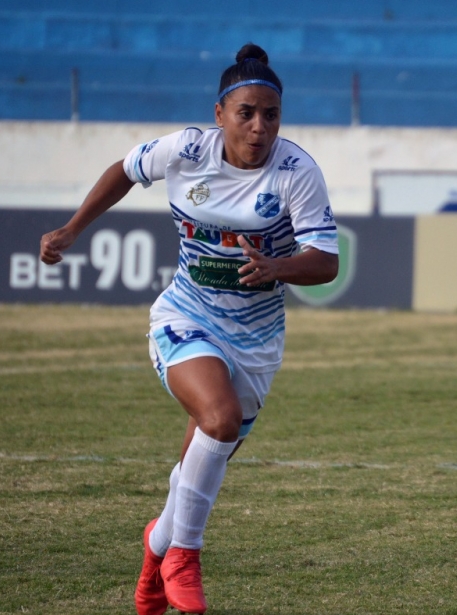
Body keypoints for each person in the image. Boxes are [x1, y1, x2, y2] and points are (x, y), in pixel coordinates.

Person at [39, 43, 339, 614]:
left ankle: (155, 551)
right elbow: (124, 171)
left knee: (199, 464)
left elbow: (326, 262)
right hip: (187, 315)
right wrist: (73, 229)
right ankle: (184, 557)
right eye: (246, 113)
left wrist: (277, 267)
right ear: (220, 113)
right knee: (219, 418)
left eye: (271, 115)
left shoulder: (297, 172)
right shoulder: (187, 149)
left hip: (256, 340)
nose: (259, 127)